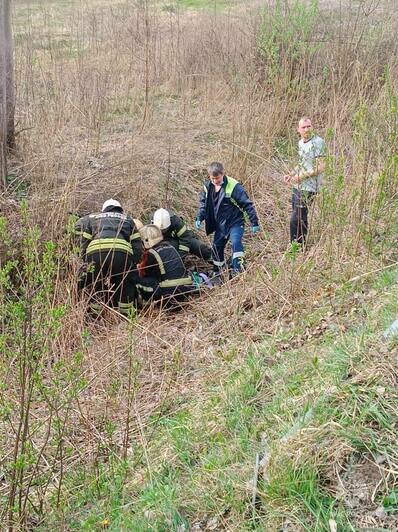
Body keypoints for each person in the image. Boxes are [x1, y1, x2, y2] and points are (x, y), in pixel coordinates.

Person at [74, 199, 142, 316]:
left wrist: (86, 261)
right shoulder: (127, 219)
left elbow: (84, 241)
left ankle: (95, 316)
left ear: (104, 209)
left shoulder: (94, 218)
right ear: (120, 209)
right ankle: (126, 316)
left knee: (97, 284)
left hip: (96, 253)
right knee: (124, 284)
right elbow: (137, 245)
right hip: (121, 254)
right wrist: (132, 264)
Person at [195, 162, 260, 274]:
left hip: (235, 221)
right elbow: (203, 205)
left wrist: (254, 222)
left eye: (218, 178)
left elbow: (247, 204)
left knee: (236, 242)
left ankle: (238, 270)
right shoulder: (207, 187)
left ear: (223, 173)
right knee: (216, 247)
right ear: (209, 176)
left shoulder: (233, 185)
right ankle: (218, 271)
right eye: (213, 178)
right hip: (220, 224)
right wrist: (199, 217)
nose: (215, 181)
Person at [283, 117, 326, 246]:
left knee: (295, 218)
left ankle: (294, 247)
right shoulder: (301, 143)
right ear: (298, 130)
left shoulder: (318, 142)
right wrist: (291, 174)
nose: (307, 129)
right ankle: (301, 245)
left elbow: (322, 166)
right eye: (304, 127)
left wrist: (301, 176)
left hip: (310, 186)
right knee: (300, 217)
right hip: (298, 185)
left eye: (309, 126)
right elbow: (302, 163)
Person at [136, 224, 198, 305]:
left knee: (135, 280)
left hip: (168, 294)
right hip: (185, 289)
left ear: (146, 240)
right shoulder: (171, 247)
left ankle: (143, 303)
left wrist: (138, 266)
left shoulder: (151, 253)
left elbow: (143, 273)